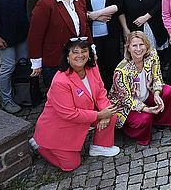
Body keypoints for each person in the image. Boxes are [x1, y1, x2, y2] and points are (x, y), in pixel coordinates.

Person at [31, 38, 119, 170]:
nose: (80, 55)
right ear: (67, 56)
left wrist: (106, 112)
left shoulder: (92, 67)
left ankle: (100, 146)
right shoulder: (60, 81)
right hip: (61, 128)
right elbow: (69, 114)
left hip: (83, 116)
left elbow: (101, 91)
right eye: (75, 52)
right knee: (71, 165)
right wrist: (100, 114)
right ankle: (40, 146)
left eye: (84, 51)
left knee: (111, 114)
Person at [108, 31, 171, 144]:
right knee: (145, 118)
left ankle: (159, 121)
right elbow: (126, 99)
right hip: (126, 106)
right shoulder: (121, 71)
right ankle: (139, 131)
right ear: (128, 48)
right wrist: (145, 109)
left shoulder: (152, 55)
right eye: (134, 46)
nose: (138, 49)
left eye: (141, 44)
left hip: (146, 93)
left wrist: (157, 93)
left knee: (167, 91)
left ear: (147, 45)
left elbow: (157, 77)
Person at [28, 0, 90, 85]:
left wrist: (92, 49)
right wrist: (36, 62)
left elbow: (85, 26)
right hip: (56, 59)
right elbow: (35, 35)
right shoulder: (45, 4)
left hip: (78, 57)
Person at [73, 0, 122, 89]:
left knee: (112, 62)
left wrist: (95, 14)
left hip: (111, 31)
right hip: (91, 34)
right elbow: (77, 9)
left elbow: (118, 5)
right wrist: (92, 17)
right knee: (95, 64)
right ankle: (98, 91)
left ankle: (114, 90)